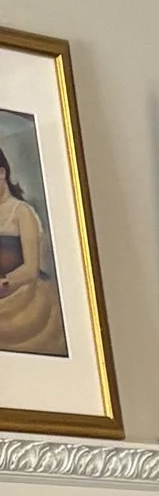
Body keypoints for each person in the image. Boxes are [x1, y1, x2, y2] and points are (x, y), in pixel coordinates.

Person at [0, 147, 65, 359]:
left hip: (22, 296)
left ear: (2, 172)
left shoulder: (22, 212)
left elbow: (30, 270)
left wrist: (4, 283)